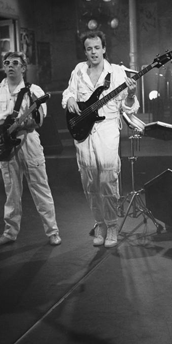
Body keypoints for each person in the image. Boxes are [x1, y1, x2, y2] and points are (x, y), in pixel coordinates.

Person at [62, 30, 139, 248]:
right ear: (85, 51)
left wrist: (131, 94)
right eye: (89, 49)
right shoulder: (79, 70)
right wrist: (70, 99)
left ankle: (112, 225)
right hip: (83, 129)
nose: (93, 52)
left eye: (97, 47)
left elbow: (129, 108)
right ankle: (99, 224)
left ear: (104, 48)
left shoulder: (117, 73)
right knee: (89, 180)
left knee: (107, 178)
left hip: (107, 128)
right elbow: (69, 92)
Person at [0, 51, 61, 247]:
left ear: (23, 68)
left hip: (28, 141)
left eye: (15, 63)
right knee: (11, 192)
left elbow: (39, 121)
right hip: (5, 145)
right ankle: (10, 232)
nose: (10, 66)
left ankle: (53, 232)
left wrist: (25, 123)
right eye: (7, 63)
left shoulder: (34, 91)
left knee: (40, 188)